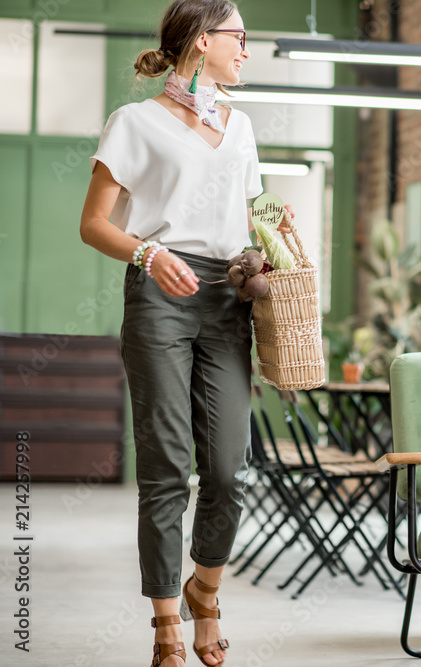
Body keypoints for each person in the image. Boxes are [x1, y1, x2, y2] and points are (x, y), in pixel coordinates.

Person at [80, 2, 291, 665]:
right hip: (160, 295)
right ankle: (167, 623)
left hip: (227, 297)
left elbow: (254, 218)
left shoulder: (242, 126)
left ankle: (207, 588)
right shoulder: (134, 123)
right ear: (204, 41)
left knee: (229, 468)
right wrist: (147, 253)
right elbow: (94, 224)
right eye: (240, 38)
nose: (247, 51)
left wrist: (265, 254)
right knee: (168, 465)